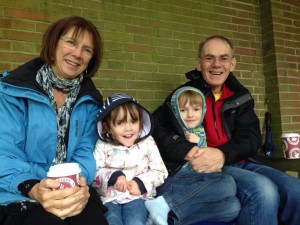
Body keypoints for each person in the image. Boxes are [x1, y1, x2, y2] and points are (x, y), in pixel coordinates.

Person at [152, 35, 300, 225]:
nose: (216, 64)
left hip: (240, 160)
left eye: (223, 58)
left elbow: (252, 137)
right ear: (199, 63)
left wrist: (223, 154)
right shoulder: (183, 96)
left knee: (295, 190)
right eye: (209, 58)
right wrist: (185, 150)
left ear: (232, 64)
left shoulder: (240, 96)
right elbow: (155, 127)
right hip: (207, 169)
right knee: (263, 190)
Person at [0, 16, 108, 225]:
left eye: (87, 49)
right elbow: (4, 152)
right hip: (17, 188)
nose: (77, 53)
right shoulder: (12, 92)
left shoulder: (90, 101)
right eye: (71, 42)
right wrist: (34, 188)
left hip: (71, 187)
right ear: (53, 45)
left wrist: (78, 183)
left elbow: (85, 152)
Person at [145, 85, 240, 225]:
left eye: (196, 109)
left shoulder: (200, 129)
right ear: (176, 112)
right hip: (177, 179)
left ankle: (166, 218)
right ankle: (164, 202)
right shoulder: (172, 129)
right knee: (228, 183)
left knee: (232, 207)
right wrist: (186, 142)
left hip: (198, 179)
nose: (190, 115)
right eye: (183, 110)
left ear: (203, 111)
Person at [92, 93, 168, 225]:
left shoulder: (147, 142)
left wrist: (141, 182)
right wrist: (114, 177)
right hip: (109, 198)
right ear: (108, 128)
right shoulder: (103, 145)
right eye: (120, 123)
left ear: (141, 122)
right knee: (112, 221)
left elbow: (160, 171)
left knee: (135, 221)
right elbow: (94, 172)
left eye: (133, 121)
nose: (128, 128)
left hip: (137, 197)